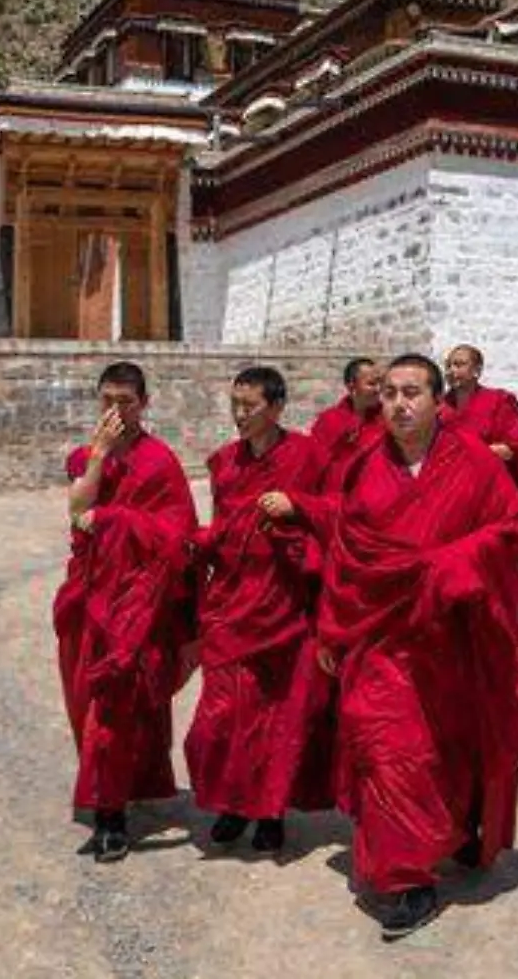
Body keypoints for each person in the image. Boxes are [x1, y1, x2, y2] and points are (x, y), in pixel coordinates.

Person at [313, 354, 518, 940]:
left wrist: (454, 562)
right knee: (390, 751)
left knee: (450, 751)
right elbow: (343, 560)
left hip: (455, 643)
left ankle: (454, 833)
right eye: (388, 393)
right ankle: (405, 879)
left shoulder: (472, 462)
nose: (398, 404)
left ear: (438, 400)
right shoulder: (364, 466)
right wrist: (331, 631)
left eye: (411, 392)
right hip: (381, 643)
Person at [183, 366, 337, 854]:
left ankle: (270, 812)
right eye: (235, 404)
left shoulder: (308, 455)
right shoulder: (224, 462)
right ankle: (232, 804)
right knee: (221, 718)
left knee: (277, 718)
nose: (239, 415)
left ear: (276, 407)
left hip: (286, 605)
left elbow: (338, 509)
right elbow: (223, 525)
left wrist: (297, 505)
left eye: (249, 406)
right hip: (232, 606)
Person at [52, 361, 199, 863]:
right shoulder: (85, 454)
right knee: (87, 702)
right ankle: (108, 794)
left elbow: (178, 536)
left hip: (140, 601)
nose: (115, 411)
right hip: (89, 597)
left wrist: (114, 520)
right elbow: (77, 511)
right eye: (107, 401)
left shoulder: (160, 462)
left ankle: (110, 815)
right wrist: (98, 457)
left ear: (145, 403)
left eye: (126, 402)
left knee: (120, 707)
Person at [440, 344, 518, 643]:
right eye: (449, 365)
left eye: (459, 364)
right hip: (454, 500)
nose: (452, 371)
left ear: (477, 369)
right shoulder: (440, 407)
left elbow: (516, 447)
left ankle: (505, 631)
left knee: (500, 566)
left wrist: (471, 453)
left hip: (494, 497)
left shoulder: (499, 402)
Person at [309, 356, 386, 473]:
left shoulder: (387, 417)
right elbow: (315, 462)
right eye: (371, 384)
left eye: (380, 383)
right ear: (351, 386)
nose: (378, 389)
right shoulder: (330, 420)